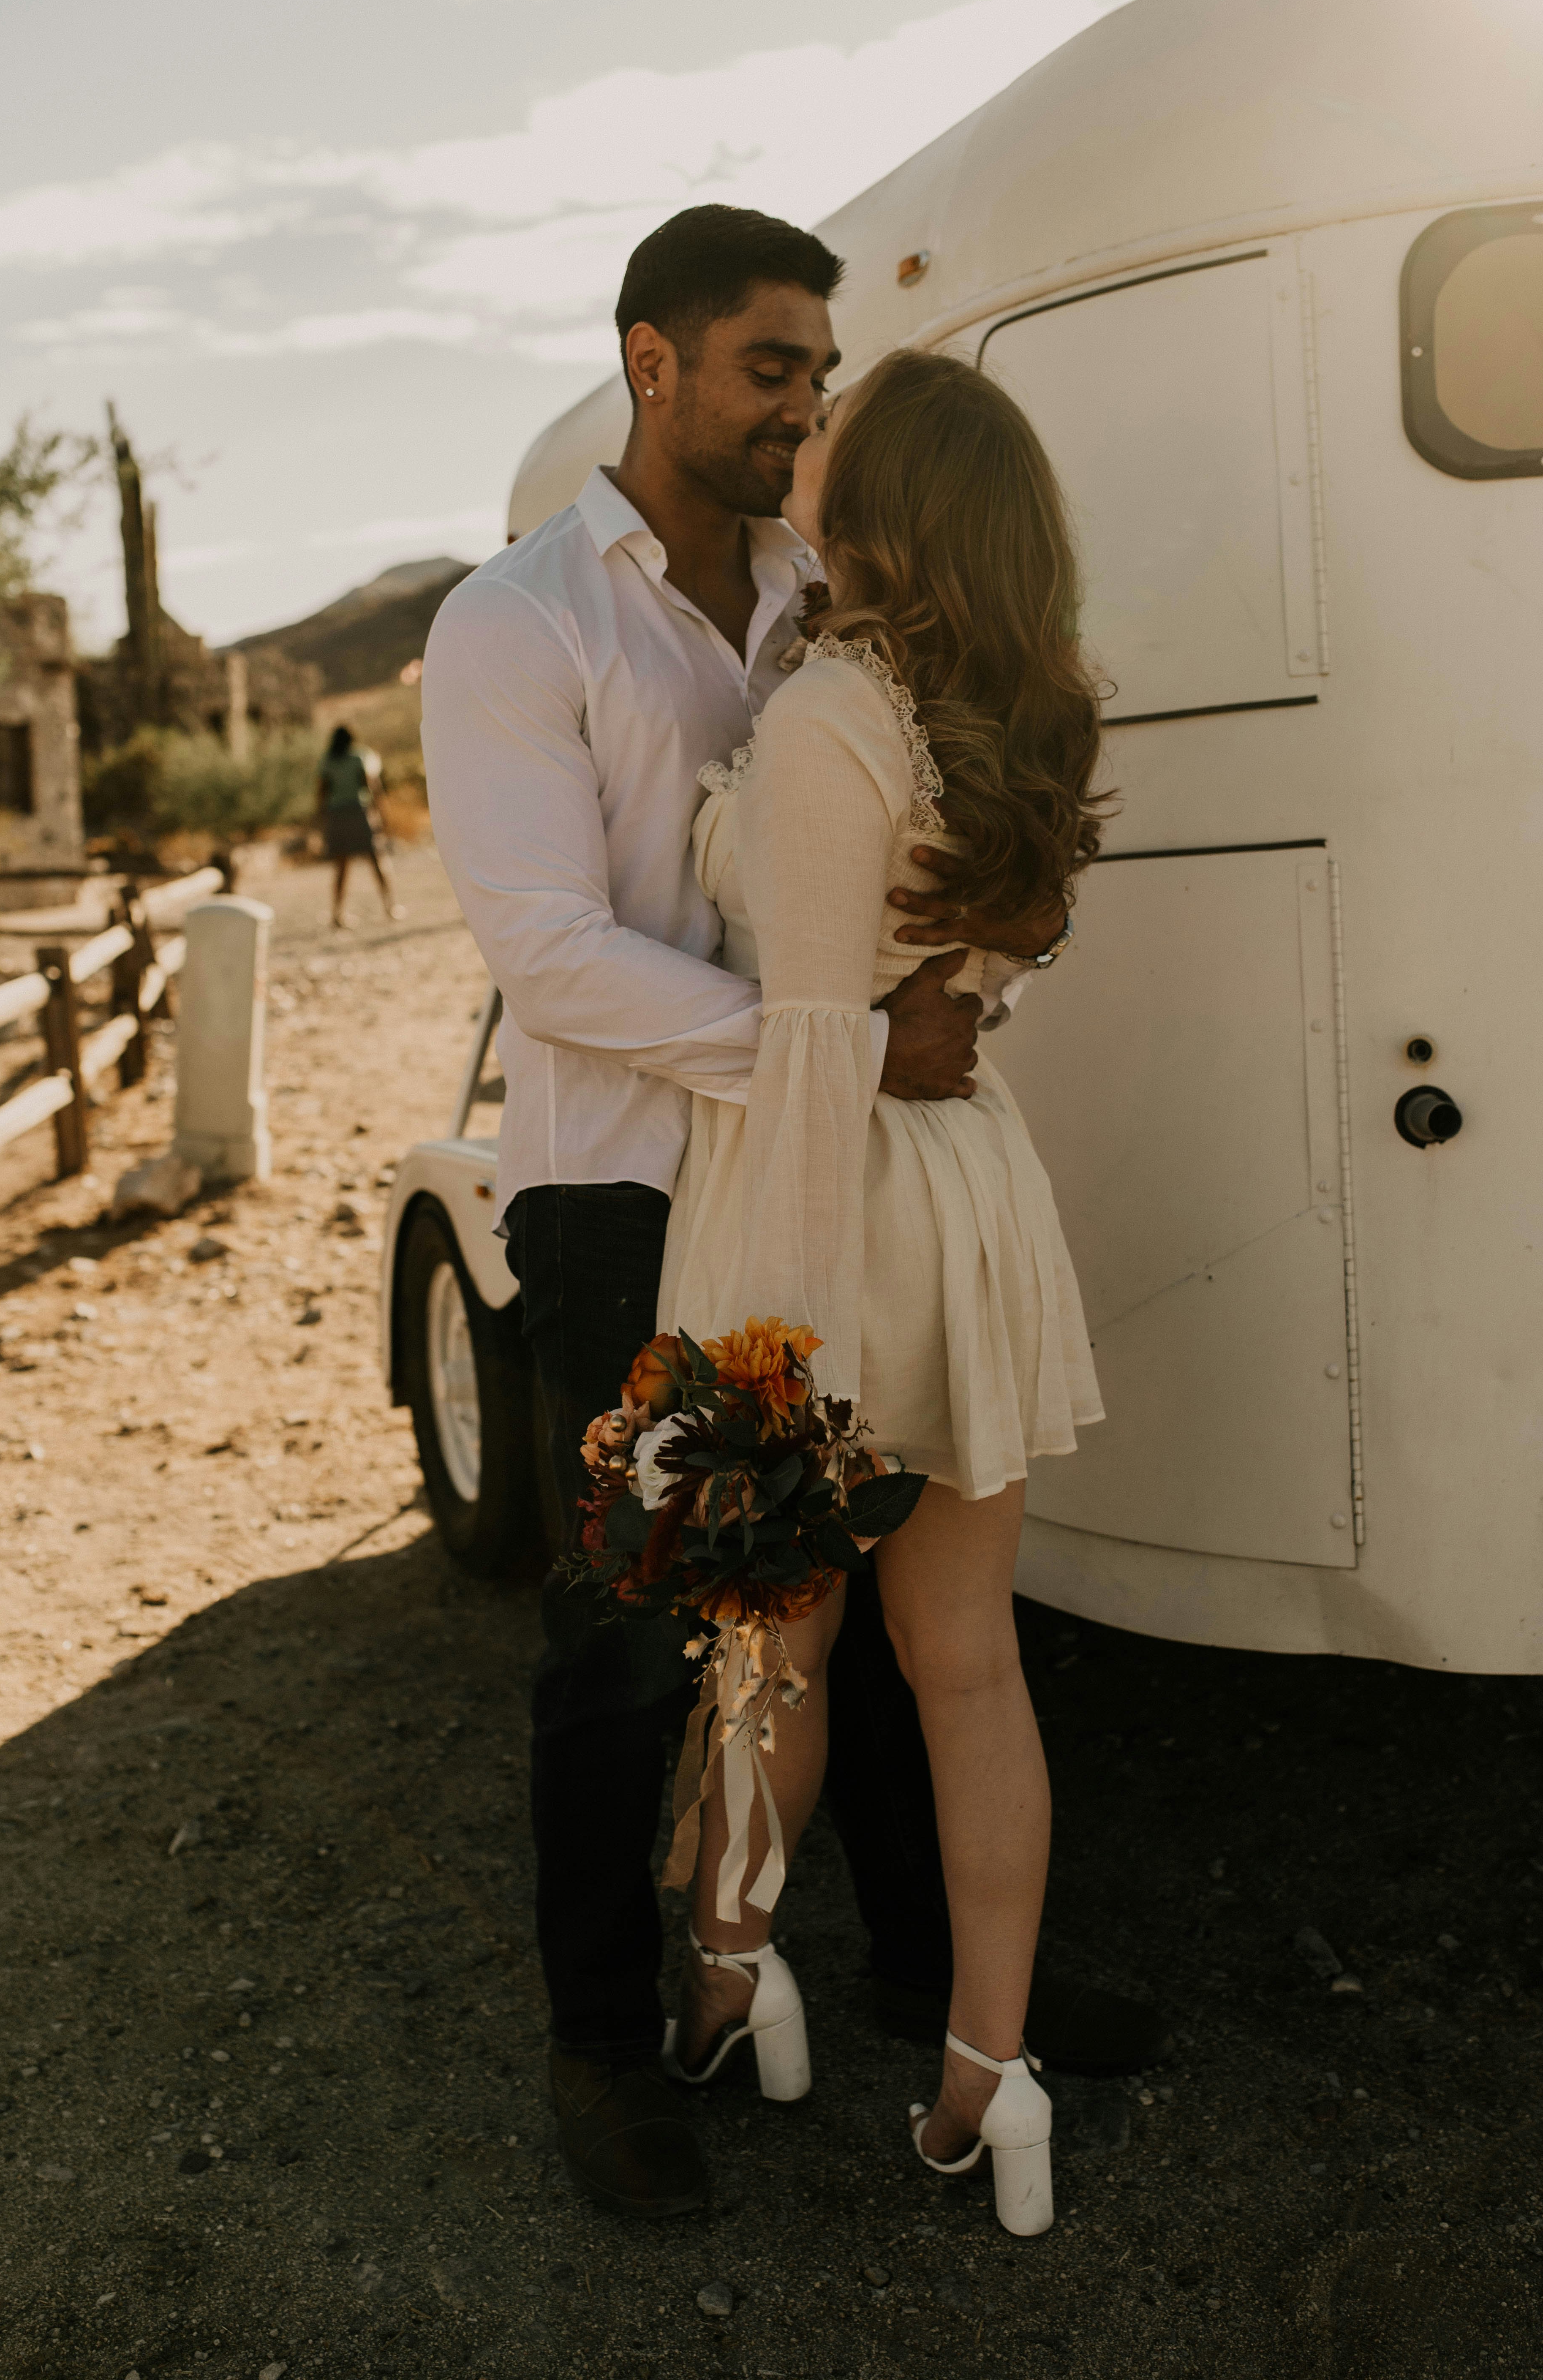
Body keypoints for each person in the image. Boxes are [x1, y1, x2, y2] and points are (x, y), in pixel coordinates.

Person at [425, 205, 1162, 2224]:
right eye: (772, 371)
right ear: (651, 362)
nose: (803, 412)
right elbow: (550, 953)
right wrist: (842, 1043)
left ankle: (909, 1985)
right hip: (623, 1185)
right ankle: (613, 2036)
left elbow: (949, 856)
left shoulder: (824, 609)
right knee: (629, 1647)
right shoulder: (521, 621)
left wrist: (918, 1022)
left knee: (835, 1628)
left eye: (826, 384)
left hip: (809, 1189)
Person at [657, 346, 1107, 2233]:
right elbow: (962, 986)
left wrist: (777, 1360)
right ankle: (989, 2078)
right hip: (969, 1193)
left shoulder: (840, 713)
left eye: (835, 436)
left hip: (831, 1216)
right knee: (969, 1663)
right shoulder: (1010, 711)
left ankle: (730, 1971)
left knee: (770, 1646)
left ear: (893, 505)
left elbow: (821, 1047)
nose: (805, 442)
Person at [316, 723, 402, 928]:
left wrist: (320, 821)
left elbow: (321, 794)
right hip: (358, 812)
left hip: (337, 815)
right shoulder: (361, 758)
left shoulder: (327, 762)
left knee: (342, 868)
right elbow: (373, 788)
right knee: (376, 860)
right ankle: (391, 906)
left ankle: (337, 914)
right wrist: (382, 814)